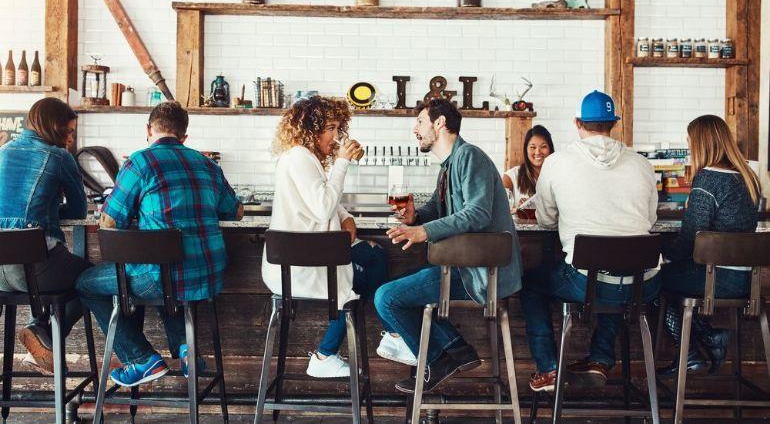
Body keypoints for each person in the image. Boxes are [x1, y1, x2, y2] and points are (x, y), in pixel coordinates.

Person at [76, 102, 243, 387]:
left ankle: (141, 357)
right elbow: (236, 212)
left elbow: (109, 222)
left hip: (162, 278)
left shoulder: (140, 162)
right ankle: (187, 351)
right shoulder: (207, 164)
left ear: (148, 129)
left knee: (86, 284)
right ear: (184, 137)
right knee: (167, 279)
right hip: (207, 276)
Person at [374, 98, 523, 393]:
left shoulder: (470, 157)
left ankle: (437, 360)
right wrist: (415, 216)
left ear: (439, 123)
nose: (414, 128)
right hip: (464, 267)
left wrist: (423, 231)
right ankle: (456, 350)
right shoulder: (449, 165)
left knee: (386, 298)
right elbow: (439, 207)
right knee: (396, 289)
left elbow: (477, 213)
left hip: (482, 273)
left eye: (420, 121)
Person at [521, 90, 661, 392]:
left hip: (586, 281)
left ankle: (548, 368)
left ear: (577, 123)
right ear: (613, 123)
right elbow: (649, 221)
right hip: (644, 282)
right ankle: (599, 359)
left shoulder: (556, 163)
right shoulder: (641, 163)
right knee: (619, 275)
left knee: (532, 285)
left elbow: (546, 220)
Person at [263, 96, 403, 378]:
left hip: (301, 261)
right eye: (330, 128)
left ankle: (331, 352)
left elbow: (319, 197)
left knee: (369, 258)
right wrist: (342, 162)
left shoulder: (302, 157)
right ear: (309, 129)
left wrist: (345, 215)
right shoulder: (300, 157)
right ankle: (379, 337)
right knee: (370, 262)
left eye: (339, 128)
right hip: (302, 268)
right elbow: (322, 204)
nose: (337, 136)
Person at [656, 115, 760, 376]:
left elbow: (691, 240)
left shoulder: (708, 180)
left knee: (650, 283)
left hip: (718, 279)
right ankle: (711, 337)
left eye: (690, 141)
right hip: (750, 281)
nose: (689, 146)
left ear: (700, 144)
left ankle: (691, 354)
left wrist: (662, 254)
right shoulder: (747, 178)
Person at [0, 97, 89, 375]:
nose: (71, 138)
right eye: (69, 130)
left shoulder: (2, 151)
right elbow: (78, 209)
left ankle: (41, 339)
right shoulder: (59, 157)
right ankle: (40, 329)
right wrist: (52, 209)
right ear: (55, 126)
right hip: (35, 269)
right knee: (94, 280)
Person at [502, 125, 555, 214]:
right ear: (526, 150)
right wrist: (518, 209)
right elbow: (498, 210)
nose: (538, 152)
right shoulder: (511, 177)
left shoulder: (559, 175)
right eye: (532, 147)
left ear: (550, 149)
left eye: (543, 146)